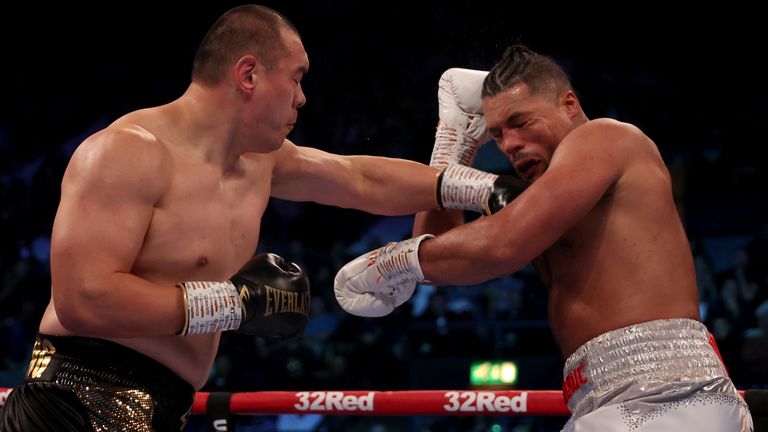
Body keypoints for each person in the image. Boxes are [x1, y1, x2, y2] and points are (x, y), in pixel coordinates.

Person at [0, 6, 516, 432]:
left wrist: (480, 187)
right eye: (295, 78)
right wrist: (235, 304)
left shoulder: (260, 160)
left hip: (165, 409)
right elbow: (83, 298)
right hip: (72, 404)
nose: (302, 97)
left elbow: (359, 179)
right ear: (248, 74)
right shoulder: (127, 153)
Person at [334, 45, 754, 431]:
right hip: (606, 402)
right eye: (496, 134)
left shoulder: (607, 138)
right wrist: (454, 142)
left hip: (668, 397)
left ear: (568, 104)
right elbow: (443, 253)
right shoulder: (541, 198)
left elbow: (497, 247)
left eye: (520, 123)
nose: (510, 145)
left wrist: (393, 261)